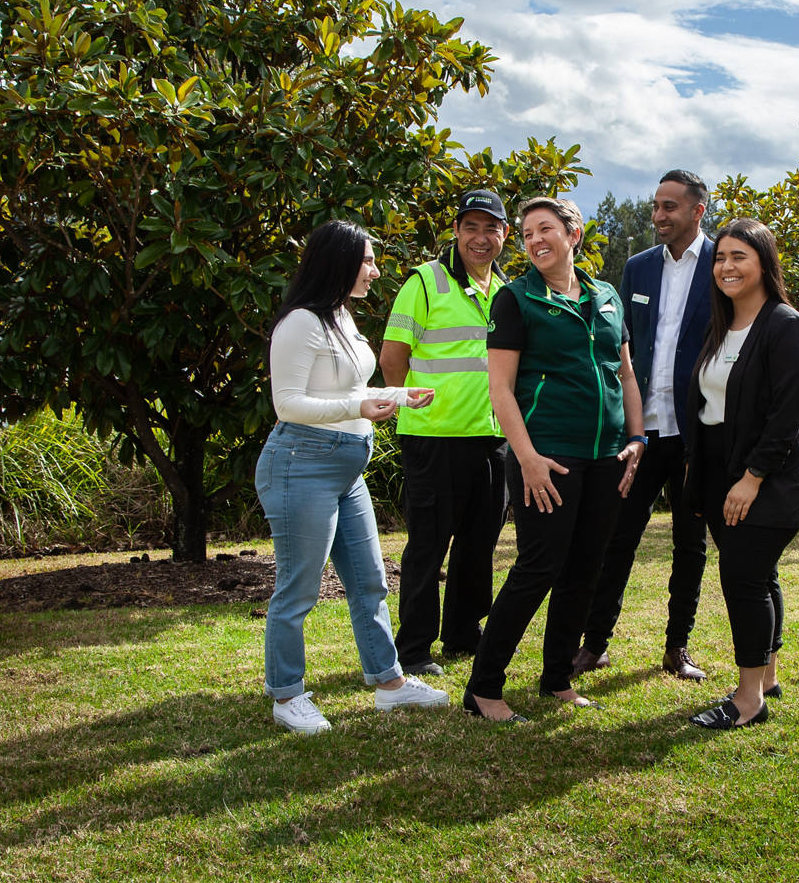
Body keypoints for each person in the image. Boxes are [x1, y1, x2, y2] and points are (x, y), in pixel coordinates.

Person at [256, 220, 450, 734]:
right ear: (337, 262)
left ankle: (389, 684)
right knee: (299, 590)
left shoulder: (340, 317)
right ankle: (286, 695)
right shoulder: (300, 322)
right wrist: (360, 402)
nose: (375, 268)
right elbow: (289, 403)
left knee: (369, 582)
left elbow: (348, 387)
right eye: (366, 259)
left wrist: (396, 396)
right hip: (302, 462)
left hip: (347, 466)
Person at [464, 197, 647, 722]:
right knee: (537, 567)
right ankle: (483, 688)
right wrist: (527, 459)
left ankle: (556, 677)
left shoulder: (607, 295)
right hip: (548, 456)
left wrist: (636, 438)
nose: (534, 240)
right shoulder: (516, 299)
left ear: (574, 234)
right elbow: (500, 390)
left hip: (607, 456)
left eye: (545, 229)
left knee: (586, 567)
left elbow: (625, 374)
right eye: (526, 234)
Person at [573, 169, 714, 682]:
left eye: (669, 207)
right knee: (617, 537)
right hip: (642, 431)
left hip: (697, 432)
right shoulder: (636, 268)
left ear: (697, 210)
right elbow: (624, 346)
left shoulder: (721, 263)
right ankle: (593, 645)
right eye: (656, 205)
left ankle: (678, 648)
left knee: (689, 543)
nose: (658, 215)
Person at [683, 218, 799, 729]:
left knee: (743, 579)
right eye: (720, 258)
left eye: (739, 256)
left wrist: (752, 477)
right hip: (720, 467)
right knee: (760, 576)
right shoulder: (721, 327)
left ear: (764, 262)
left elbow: (786, 416)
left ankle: (747, 700)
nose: (726, 266)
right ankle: (767, 677)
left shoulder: (787, 326)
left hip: (769, 473)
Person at [379, 190, 511, 677]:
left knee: (479, 543)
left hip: (490, 438)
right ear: (455, 231)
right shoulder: (426, 282)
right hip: (433, 438)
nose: (481, 238)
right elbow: (392, 356)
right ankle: (413, 647)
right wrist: (406, 405)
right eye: (471, 227)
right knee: (429, 545)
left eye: (490, 228)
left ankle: (461, 633)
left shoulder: (504, 289)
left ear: (504, 236)